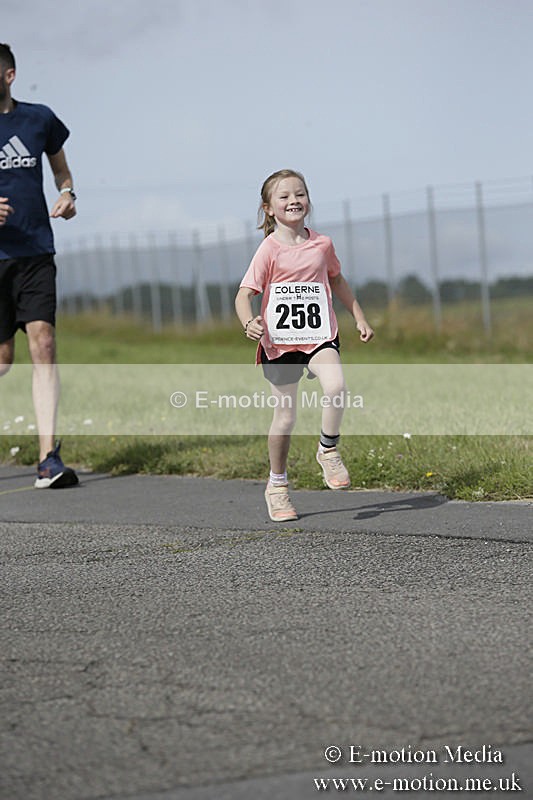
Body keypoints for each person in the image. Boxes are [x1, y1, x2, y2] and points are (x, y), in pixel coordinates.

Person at [235, 168, 374, 522]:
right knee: (285, 417)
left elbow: (337, 281)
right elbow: (244, 294)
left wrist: (358, 316)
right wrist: (248, 322)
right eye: (284, 196)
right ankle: (277, 486)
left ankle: (328, 449)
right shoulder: (268, 249)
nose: (294, 200)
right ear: (269, 208)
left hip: (319, 336)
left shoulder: (322, 244)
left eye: (300, 194)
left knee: (337, 386)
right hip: (280, 344)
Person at [0, 43, 78, 488]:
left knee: (44, 344)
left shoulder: (39, 119)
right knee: (3, 360)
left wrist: (68, 194)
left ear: (9, 75)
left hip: (34, 253)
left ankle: (48, 458)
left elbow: (62, 171)